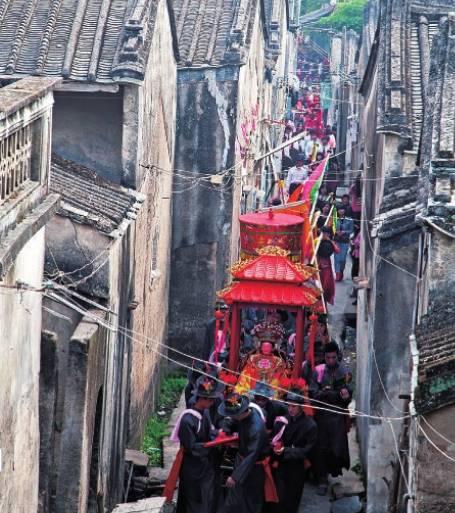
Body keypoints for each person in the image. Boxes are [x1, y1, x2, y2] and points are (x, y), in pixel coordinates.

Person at [173, 376, 224, 513]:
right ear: (201, 399)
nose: (213, 402)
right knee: (192, 500)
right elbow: (191, 447)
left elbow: (210, 433)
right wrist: (210, 445)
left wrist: (219, 436)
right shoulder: (187, 420)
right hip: (192, 467)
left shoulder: (205, 413)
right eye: (211, 399)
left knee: (205, 498)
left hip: (204, 465)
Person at [219, 394, 275, 513]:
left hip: (253, 468)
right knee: (234, 497)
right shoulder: (243, 415)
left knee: (249, 501)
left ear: (241, 412)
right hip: (242, 460)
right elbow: (230, 422)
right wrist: (226, 429)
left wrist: (235, 477)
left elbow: (252, 456)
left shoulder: (256, 428)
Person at [310, 342, 353, 495]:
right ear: (324, 357)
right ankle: (321, 479)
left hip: (337, 416)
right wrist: (325, 392)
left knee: (335, 448)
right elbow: (313, 393)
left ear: (337, 356)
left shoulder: (345, 371)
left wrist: (344, 396)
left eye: (333, 357)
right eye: (328, 358)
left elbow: (348, 396)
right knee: (321, 447)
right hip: (321, 416)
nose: (330, 360)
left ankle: (330, 473)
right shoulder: (318, 371)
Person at [271, 388, 318, 513]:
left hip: (297, 468)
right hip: (281, 466)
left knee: (292, 500)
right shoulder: (283, 421)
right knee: (278, 499)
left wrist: (286, 450)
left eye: (294, 406)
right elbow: (275, 440)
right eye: (289, 406)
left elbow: (308, 451)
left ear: (301, 407)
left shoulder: (310, 425)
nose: (290, 409)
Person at [317, 227, 339, 305]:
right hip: (317, 265)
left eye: (326, 234)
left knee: (326, 285)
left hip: (326, 266)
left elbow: (337, 250)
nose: (324, 235)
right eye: (323, 233)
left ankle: (324, 299)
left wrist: (329, 241)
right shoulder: (317, 241)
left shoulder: (329, 242)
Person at [333, 207, 354, 281]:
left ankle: (341, 271)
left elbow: (351, 230)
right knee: (336, 258)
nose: (341, 210)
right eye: (339, 209)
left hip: (345, 241)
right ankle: (337, 274)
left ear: (344, 210)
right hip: (336, 241)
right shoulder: (334, 219)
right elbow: (332, 229)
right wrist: (336, 232)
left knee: (343, 259)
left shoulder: (349, 220)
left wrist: (344, 232)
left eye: (342, 209)